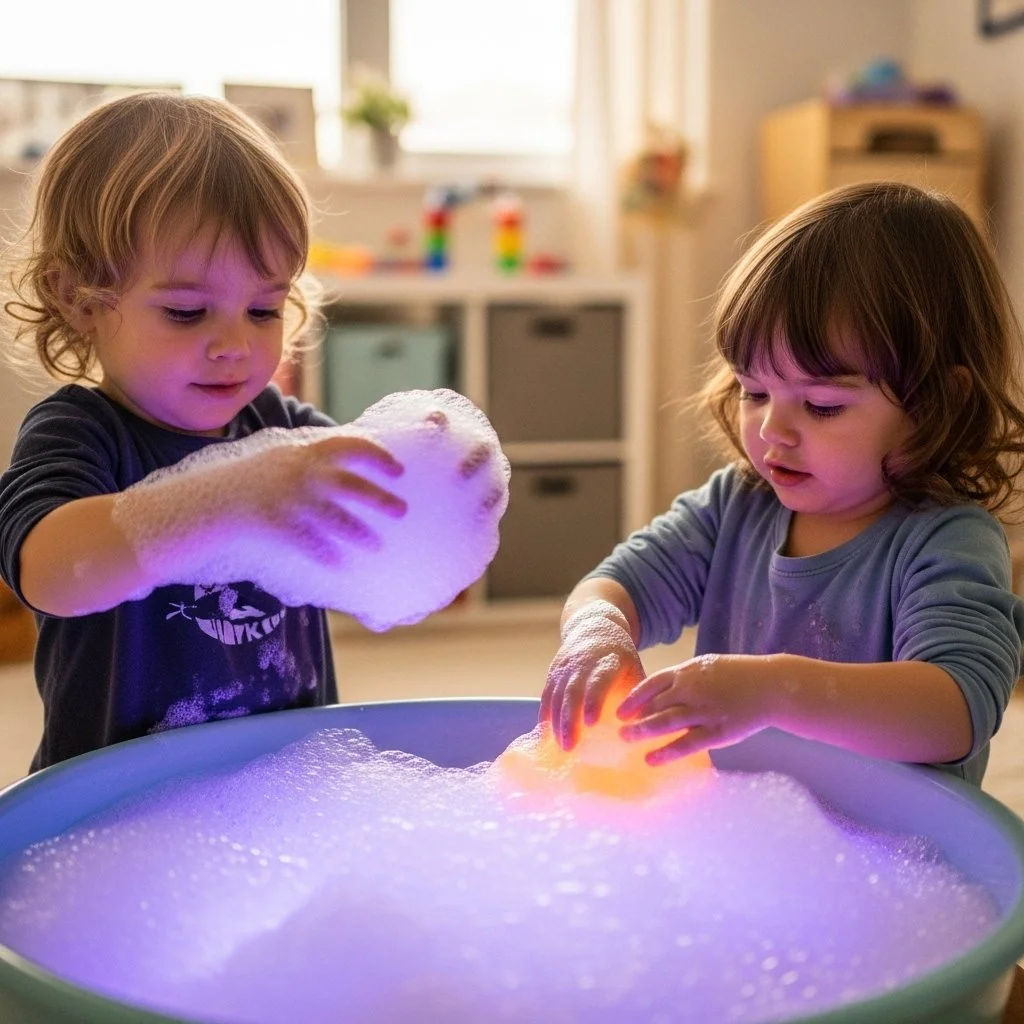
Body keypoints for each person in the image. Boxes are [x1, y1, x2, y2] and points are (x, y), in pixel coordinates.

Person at [0, 91, 489, 772]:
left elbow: (373, 538)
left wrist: (433, 502)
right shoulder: (80, 432)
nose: (234, 343)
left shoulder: (281, 429)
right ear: (77, 297)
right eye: (187, 312)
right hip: (122, 804)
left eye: (263, 309)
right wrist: (225, 499)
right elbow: (51, 571)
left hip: (287, 786)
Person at [541, 181, 1024, 787]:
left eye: (821, 406)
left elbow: (955, 710)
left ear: (934, 405)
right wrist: (597, 632)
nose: (772, 428)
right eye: (755, 391)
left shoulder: (948, 541)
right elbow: (616, 583)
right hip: (750, 832)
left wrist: (776, 690)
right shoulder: (736, 505)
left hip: (889, 855)